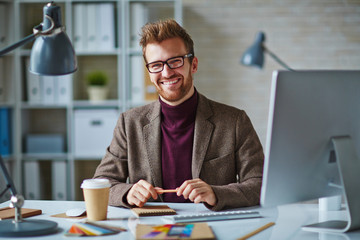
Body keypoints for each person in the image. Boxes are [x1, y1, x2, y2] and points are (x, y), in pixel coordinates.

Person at [93, 19, 264, 211]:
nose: (166, 73)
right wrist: (128, 192)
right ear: (149, 72)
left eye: (175, 61)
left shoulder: (235, 121)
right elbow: (101, 182)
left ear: (193, 65)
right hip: (151, 229)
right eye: (156, 65)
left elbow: (260, 184)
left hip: (214, 226)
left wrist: (216, 194)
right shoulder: (129, 123)